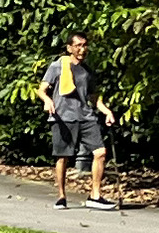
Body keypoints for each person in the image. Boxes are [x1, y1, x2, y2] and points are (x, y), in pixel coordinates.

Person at [40, 34, 118, 210]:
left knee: (100, 152)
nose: (82, 49)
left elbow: (93, 97)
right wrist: (47, 100)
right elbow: (42, 90)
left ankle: (95, 195)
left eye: (84, 45)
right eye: (78, 46)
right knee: (63, 157)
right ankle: (61, 196)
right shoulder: (58, 66)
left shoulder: (87, 71)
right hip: (63, 117)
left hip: (86, 116)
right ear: (69, 48)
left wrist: (106, 112)